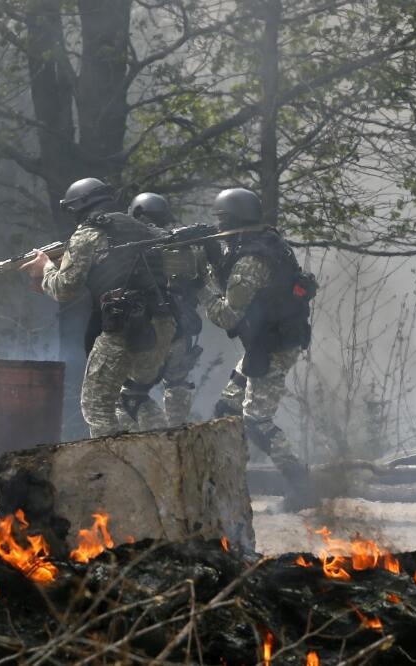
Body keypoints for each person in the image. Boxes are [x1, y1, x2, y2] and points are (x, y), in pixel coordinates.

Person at [19, 178, 176, 437]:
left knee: (96, 407)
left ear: (78, 207)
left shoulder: (87, 234)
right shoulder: (139, 227)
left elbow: (63, 289)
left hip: (126, 328)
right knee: (133, 397)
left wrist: (45, 267)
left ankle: (111, 471)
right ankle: (162, 458)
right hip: (161, 324)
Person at [197, 187, 317, 509]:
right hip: (267, 341)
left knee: (256, 421)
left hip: (274, 346)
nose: (219, 229)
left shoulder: (251, 259)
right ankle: (221, 482)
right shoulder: (265, 242)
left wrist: (202, 283)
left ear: (232, 220)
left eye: (222, 221)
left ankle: (302, 488)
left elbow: (227, 314)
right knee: (226, 410)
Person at [118, 193, 208, 430]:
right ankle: (178, 434)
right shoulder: (182, 246)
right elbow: (200, 282)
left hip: (149, 329)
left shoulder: (133, 249)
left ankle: (151, 439)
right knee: (178, 383)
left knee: (131, 393)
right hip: (181, 326)